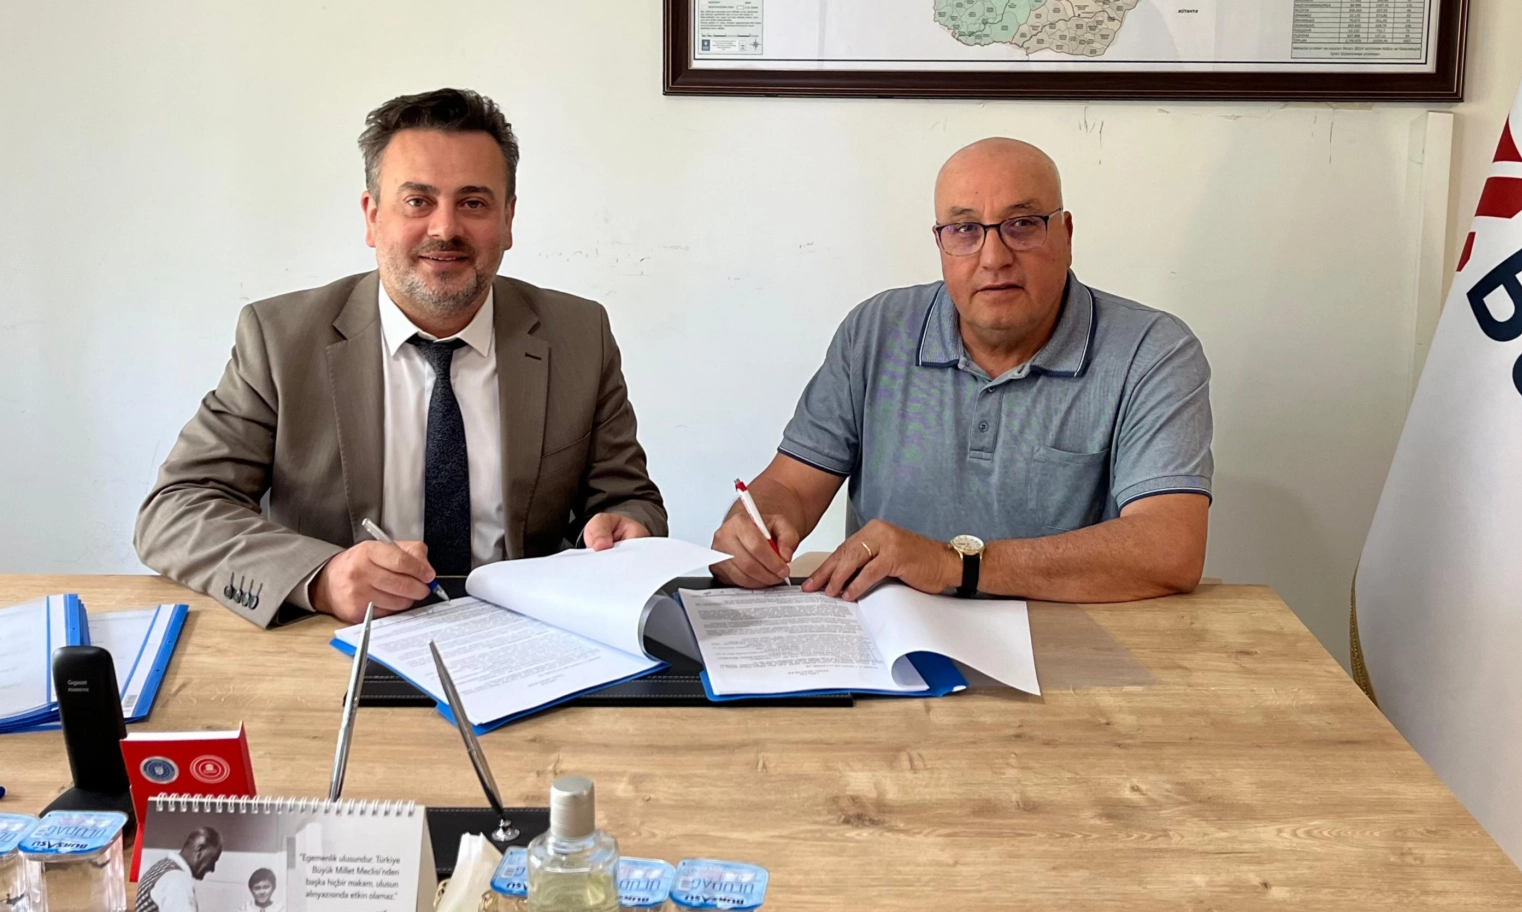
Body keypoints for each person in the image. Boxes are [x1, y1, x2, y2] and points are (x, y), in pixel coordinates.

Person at [135, 88, 666, 626]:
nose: (445, 229)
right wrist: (321, 578)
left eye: (473, 203)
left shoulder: (579, 335)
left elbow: (631, 499)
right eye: (417, 201)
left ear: (508, 219)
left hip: (528, 638)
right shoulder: (280, 340)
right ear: (372, 217)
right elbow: (176, 510)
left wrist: (627, 527)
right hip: (338, 640)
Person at [712, 137, 1213, 603]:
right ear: (941, 244)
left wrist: (952, 564)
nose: (993, 258)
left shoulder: (1152, 350)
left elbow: (1169, 549)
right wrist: (753, 526)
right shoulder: (876, 330)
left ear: (1065, 235)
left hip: (1068, 641)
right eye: (965, 229)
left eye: (1022, 224)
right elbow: (791, 487)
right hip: (892, 641)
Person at [132, 827, 243, 912]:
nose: (212, 868)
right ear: (200, 850)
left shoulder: (163, 866)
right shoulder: (176, 878)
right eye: (213, 860)